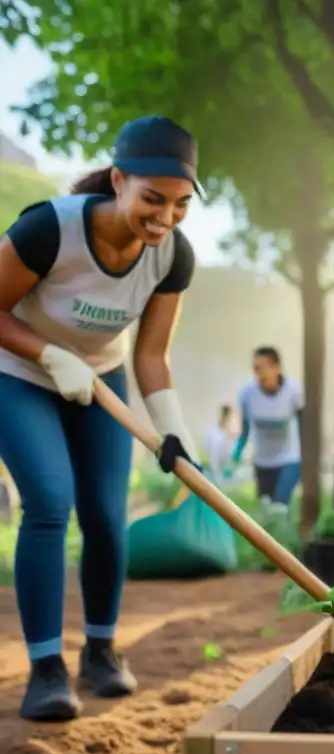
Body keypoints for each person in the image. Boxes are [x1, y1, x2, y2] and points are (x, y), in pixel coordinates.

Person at [0, 115, 203, 720]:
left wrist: (173, 425)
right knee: (49, 501)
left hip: (103, 379)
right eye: (152, 198)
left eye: (180, 204)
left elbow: (151, 354)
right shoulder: (47, 231)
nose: (165, 217)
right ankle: (44, 668)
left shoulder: (172, 256)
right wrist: (48, 353)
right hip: (19, 372)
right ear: (118, 180)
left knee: (107, 518)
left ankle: (102, 653)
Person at [231, 347, 304, 506]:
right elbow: (245, 429)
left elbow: (303, 426)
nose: (258, 373)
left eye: (261, 368)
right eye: (255, 368)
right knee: (265, 508)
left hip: (289, 459)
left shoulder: (294, 391)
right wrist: (236, 453)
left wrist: (307, 459)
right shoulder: (247, 394)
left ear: (275, 367)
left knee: (279, 506)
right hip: (263, 461)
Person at [204, 403, 236, 485]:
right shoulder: (213, 433)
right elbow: (211, 455)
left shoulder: (231, 436)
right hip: (215, 473)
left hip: (225, 473)